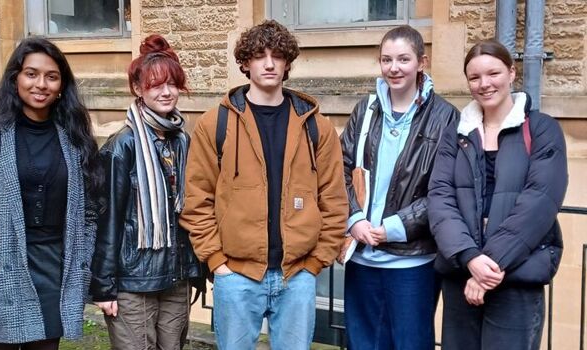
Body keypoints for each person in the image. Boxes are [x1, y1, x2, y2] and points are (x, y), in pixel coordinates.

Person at [180, 19, 348, 350]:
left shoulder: (316, 126)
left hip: (297, 275)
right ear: (245, 63)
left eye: (277, 55)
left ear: (287, 63)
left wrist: (315, 263)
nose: (269, 63)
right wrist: (217, 262)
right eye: (259, 55)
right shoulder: (217, 122)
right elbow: (197, 199)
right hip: (236, 276)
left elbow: (334, 199)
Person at [428, 39, 568, 349]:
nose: (484, 84)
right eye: (474, 77)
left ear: (512, 72)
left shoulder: (543, 129)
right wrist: (470, 258)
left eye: (493, 73)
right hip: (461, 275)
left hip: (515, 277)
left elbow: (539, 202)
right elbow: (440, 199)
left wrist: (487, 266)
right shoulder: (456, 133)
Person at [340, 25, 459, 350]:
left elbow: (444, 189)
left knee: (410, 344)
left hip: (412, 262)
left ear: (422, 62)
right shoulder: (365, 111)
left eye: (403, 59)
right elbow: (340, 169)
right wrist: (355, 220)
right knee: (362, 343)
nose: (394, 68)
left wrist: (394, 228)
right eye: (386, 59)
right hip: (362, 257)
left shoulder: (445, 117)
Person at [90, 34, 205, 350]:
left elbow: (191, 211)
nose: (166, 92)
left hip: (174, 275)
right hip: (133, 281)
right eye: (156, 85)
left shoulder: (182, 141)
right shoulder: (122, 145)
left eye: (172, 84)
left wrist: (194, 269)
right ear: (138, 90)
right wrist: (104, 287)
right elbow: (107, 218)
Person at [0, 37, 102, 349]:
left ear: (62, 84)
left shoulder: (74, 138)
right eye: (31, 74)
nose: (41, 84)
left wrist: (82, 261)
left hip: (55, 269)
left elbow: (90, 210)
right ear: (16, 78)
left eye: (51, 77)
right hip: (4, 266)